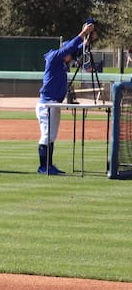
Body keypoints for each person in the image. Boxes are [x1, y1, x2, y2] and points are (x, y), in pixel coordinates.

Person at [36, 21, 96, 175]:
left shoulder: (62, 62)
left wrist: (89, 39)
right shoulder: (54, 57)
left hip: (54, 104)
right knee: (46, 135)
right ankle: (43, 167)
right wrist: (83, 33)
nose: (71, 57)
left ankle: (49, 166)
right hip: (47, 104)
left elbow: (76, 50)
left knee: (52, 136)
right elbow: (70, 48)